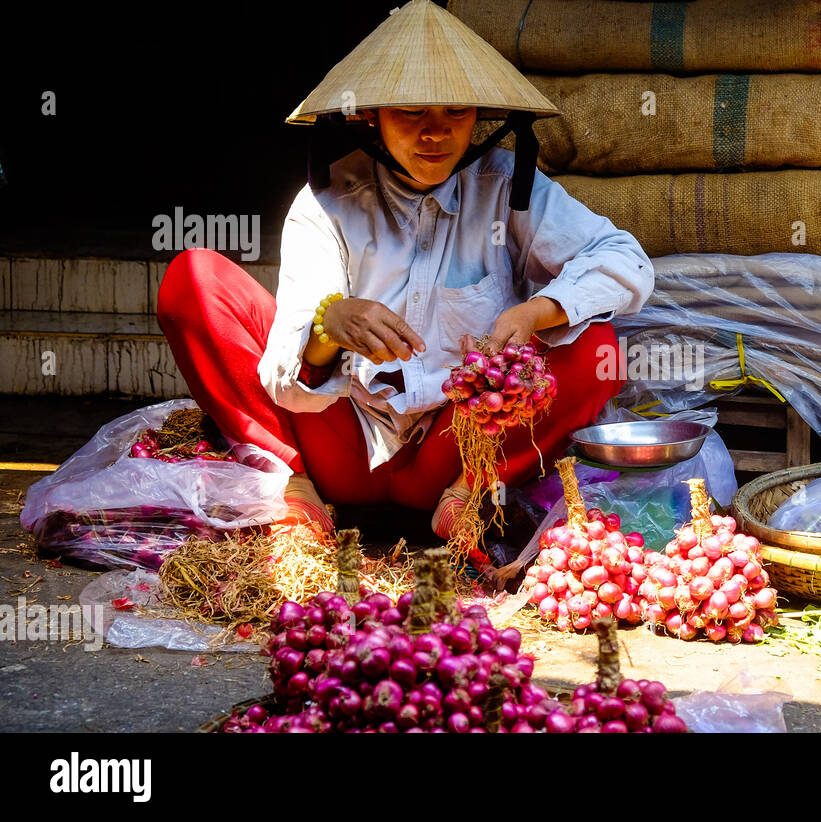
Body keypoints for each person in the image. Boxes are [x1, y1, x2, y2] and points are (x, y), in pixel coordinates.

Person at [156, 0, 653, 573]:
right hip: (339, 445)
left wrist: (538, 312)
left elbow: (626, 261)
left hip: (459, 447)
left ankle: (471, 498)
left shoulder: (505, 188)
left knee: (596, 348)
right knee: (192, 279)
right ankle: (288, 486)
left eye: (457, 112)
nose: (436, 133)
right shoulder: (328, 201)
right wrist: (329, 325)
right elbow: (286, 383)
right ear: (371, 116)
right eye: (412, 112)